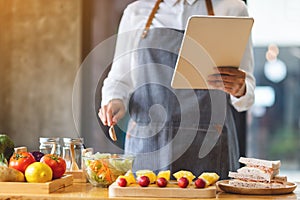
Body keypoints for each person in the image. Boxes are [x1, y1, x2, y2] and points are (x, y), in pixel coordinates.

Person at [98, 0, 255, 179]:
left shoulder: (233, 9)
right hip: (149, 142)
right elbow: (119, 78)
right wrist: (114, 100)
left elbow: (247, 92)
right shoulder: (136, 12)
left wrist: (240, 88)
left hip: (210, 144)